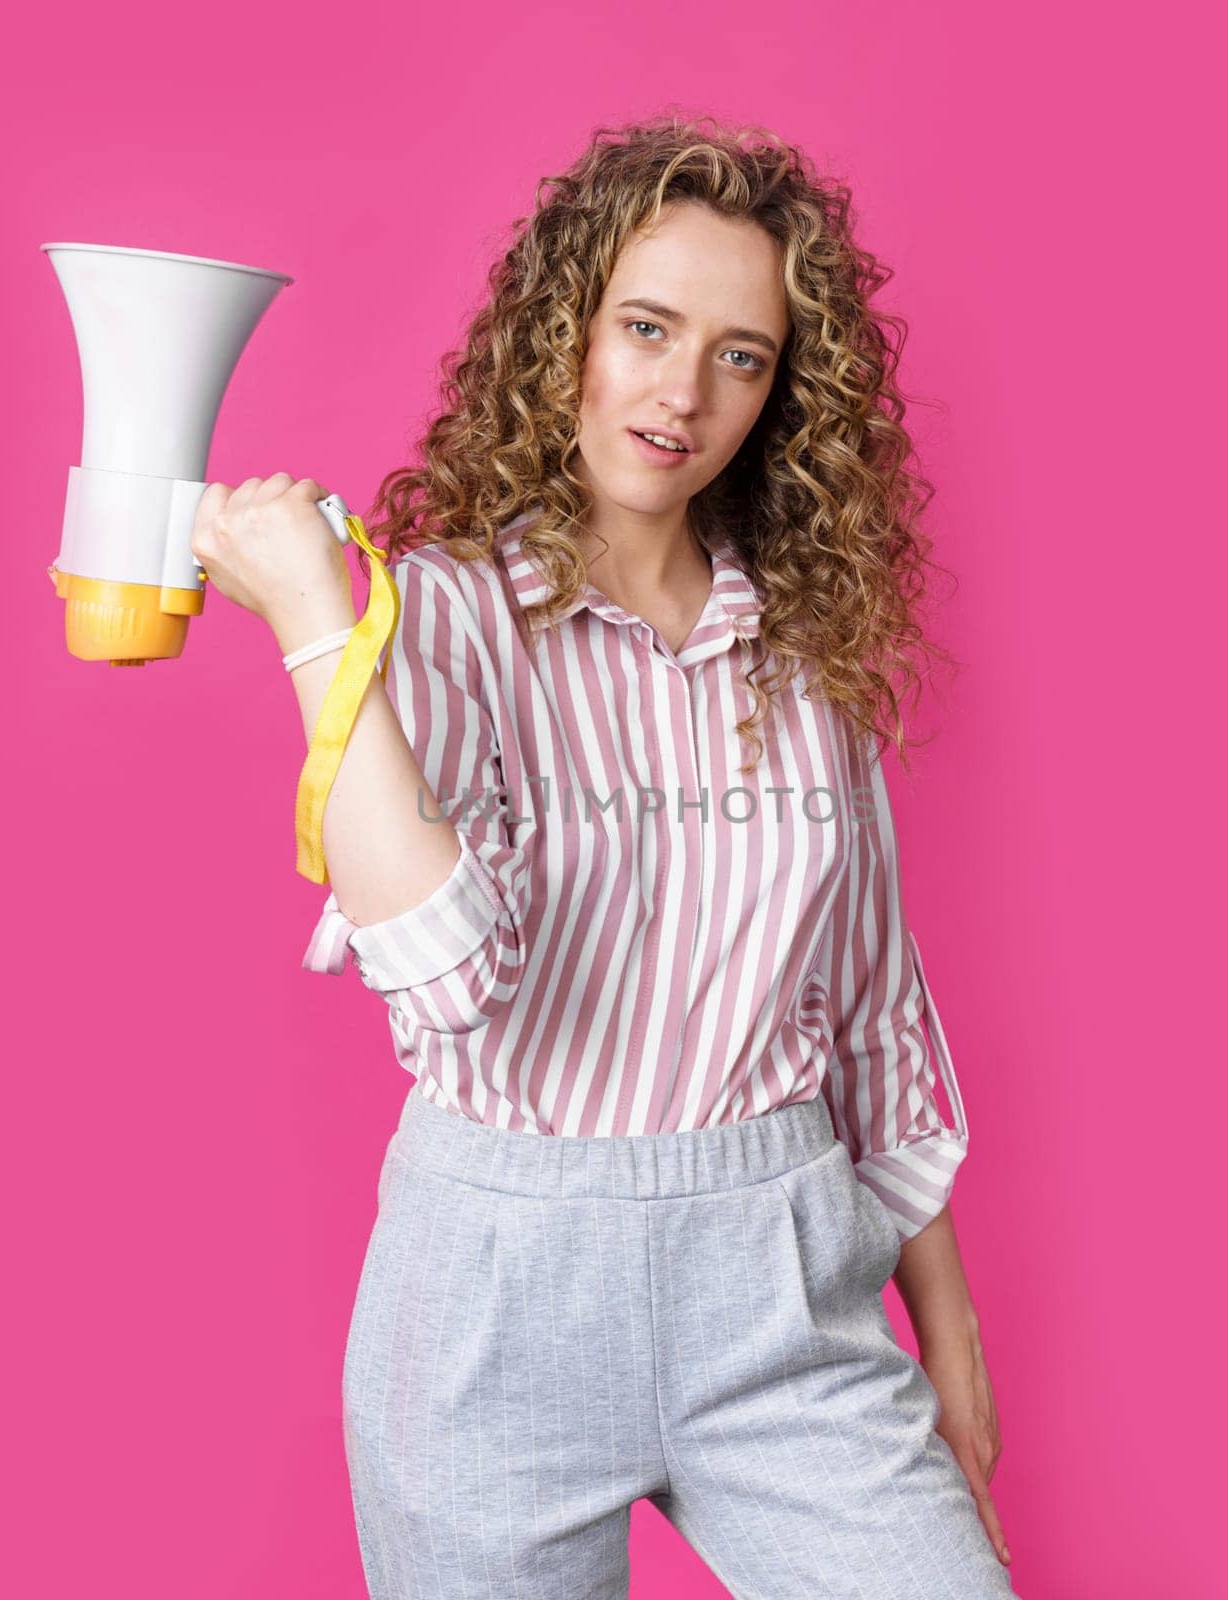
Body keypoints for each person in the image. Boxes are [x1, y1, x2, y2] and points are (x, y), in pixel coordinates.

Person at [191, 114, 1019, 1600]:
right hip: (492, 1303)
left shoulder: (806, 654)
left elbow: (875, 1017)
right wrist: (317, 626)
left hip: (786, 1290)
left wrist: (949, 1346)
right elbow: (446, 973)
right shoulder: (436, 618)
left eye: (741, 354)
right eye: (645, 327)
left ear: (782, 392)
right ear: (564, 328)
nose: (681, 391)